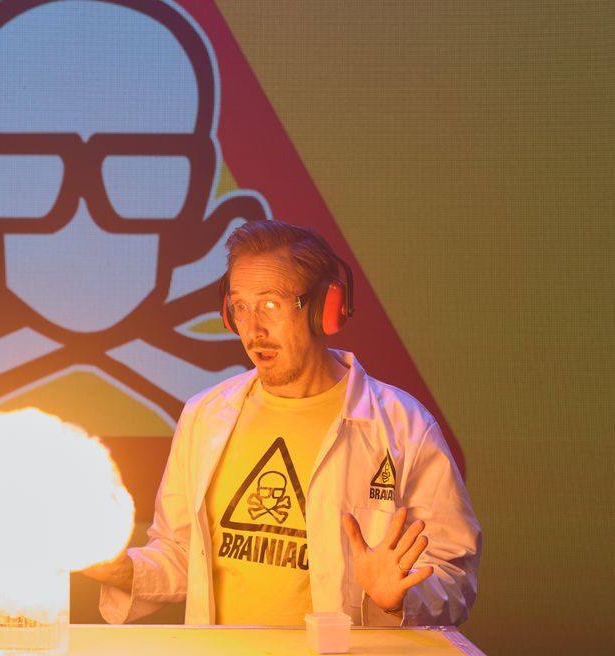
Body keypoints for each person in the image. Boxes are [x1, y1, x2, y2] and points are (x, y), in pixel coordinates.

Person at [84, 220, 480, 627]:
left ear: (326, 309)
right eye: (240, 307)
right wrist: (118, 569)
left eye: (271, 304)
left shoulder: (403, 425)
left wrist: (400, 598)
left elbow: (455, 575)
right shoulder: (204, 417)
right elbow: (183, 554)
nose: (253, 329)